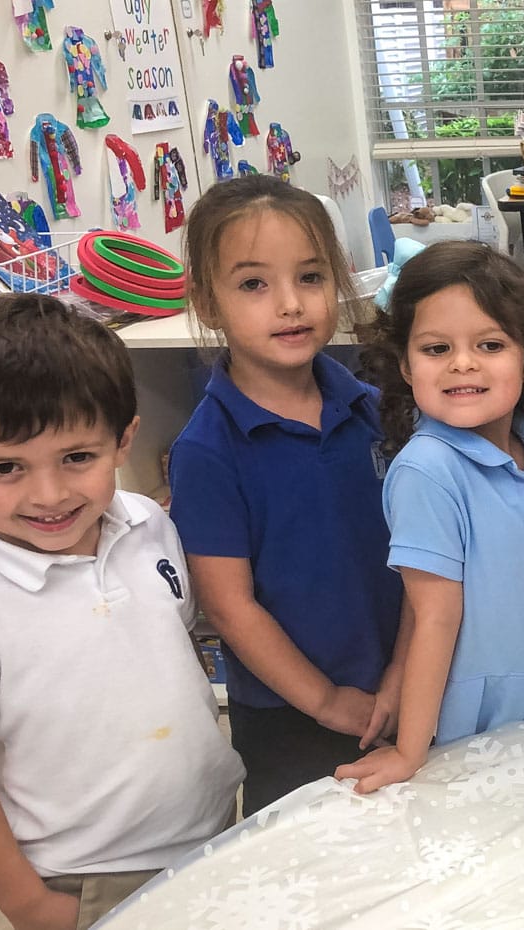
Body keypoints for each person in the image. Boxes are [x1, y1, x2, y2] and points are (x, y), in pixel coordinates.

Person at [0, 296, 243, 930]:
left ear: (124, 440)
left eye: (76, 458)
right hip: (88, 874)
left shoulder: (148, 523)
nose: (49, 495)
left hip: (210, 825)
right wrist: (28, 904)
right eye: (5, 468)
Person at [337, 241, 524, 793]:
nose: (463, 363)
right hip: (494, 719)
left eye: (489, 344)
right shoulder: (427, 470)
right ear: (405, 366)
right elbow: (432, 617)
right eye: (437, 348)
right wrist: (410, 752)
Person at [170, 175, 403, 815]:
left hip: (405, 681)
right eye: (253, 284)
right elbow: (231, 607)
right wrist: (326, 699)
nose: (290, 304)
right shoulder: (207, 451)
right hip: (288, 713)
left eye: (310, 276)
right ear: (208, 303)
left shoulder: (376, 411)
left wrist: (404, 673)